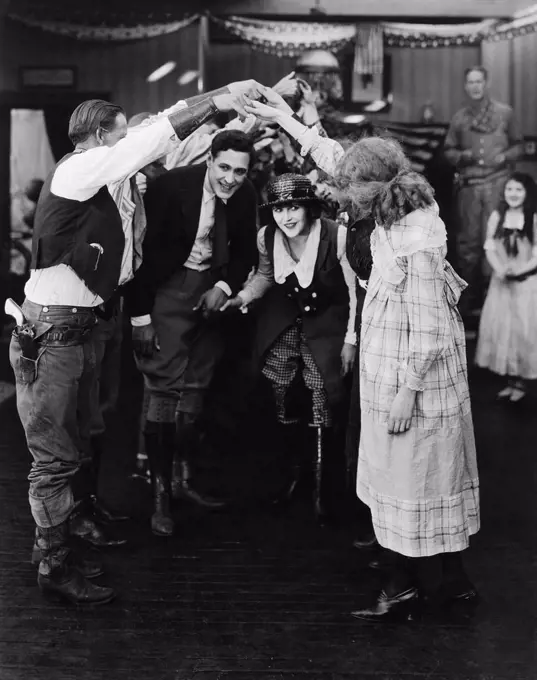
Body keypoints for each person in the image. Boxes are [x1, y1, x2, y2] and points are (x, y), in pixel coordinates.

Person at [8, 80, 264, 605]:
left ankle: (57, 549)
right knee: (52, 459)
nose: (131, 147)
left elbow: (154, 130)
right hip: (51, 334)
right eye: (121, 137)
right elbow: (155, 137)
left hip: (73, 329)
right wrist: (220, 97)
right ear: (100, 137)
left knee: (71, 448)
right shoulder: (80, 169)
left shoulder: (100, 180)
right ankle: (53, 565)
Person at [333, 136, 480, 620]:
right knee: (414, 482)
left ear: (372, 186)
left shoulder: (417, 234)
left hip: (412, 384)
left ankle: (403, 586)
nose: (346, 194)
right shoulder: (390, 212)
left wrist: (407, 392)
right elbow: (335, 162)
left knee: (414, 480)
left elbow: (432, 328)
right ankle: (450, 582)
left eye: (354, 186)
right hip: (387, 374)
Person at [123, 130, 258, 537]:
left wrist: (224, 287)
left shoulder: (245, 191)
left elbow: (247, 252)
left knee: (198, 385)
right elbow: (138, 251)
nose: (231, 178)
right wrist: (141, 317)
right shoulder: (171, 187)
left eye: (240, 171)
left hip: (209, 291)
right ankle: (160, 496)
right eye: (224, 168)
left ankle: (182, 481)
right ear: (210, 160)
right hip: (165, 288)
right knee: (163, 386)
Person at [223, 173, 356, 520]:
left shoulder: (335, 235)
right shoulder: (266, 236)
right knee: (280, 393)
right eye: (280, 208)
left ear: (309, 207)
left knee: (323, 393)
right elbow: (266, 276)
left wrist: (350, 340)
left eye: (294, 206)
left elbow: (355, 292)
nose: (287, 216)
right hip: (283, 323)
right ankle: (292, 477)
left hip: (327, 327)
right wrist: (242, 297)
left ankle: (324, 486)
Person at [444, 66, 523, 320]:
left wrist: (504, 156)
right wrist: (462, 156)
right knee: (468, 245)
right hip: (469, 188)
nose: (475, 86)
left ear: (486, 83)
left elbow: (519, 146)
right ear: (466, 86)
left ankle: (497, 306)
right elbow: (448, 151)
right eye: (471, 82)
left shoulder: (505, 113)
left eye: (479, 81)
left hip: (498, 185)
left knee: (497, 240)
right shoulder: (459, 118)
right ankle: (468, 308)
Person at [475, 172, 537, 402]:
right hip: (501, 283)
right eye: (510, 189)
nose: (513, 194)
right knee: (504, 330)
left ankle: (521, 380)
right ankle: (511, 380)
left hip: (526, 285)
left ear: (528, 192)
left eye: (519, 190)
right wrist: (499, 268)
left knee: (523, 332)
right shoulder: (497, 216)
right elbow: (489, 246)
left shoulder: (533, 217)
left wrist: (519, 271)